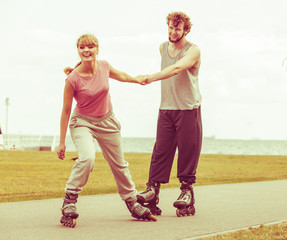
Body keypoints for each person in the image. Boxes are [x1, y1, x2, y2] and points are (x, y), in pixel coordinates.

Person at [57, 33, 155, 227]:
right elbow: (66, 111)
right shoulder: (72, 79)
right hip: (82, 122)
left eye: (90, 46)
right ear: (78, 51)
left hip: (107, 122)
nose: (86, 50)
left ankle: (132, 202)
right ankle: (69, 201)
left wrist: (138, 80)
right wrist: (61, 142)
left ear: (97, 49)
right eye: (82, 48)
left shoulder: (104, 66)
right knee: (87, 158)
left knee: (119, 164)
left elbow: (122, 76)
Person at [136, 12, 202, 217]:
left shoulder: (193, 51)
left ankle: (186, 192)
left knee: (187, 150)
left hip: (188, 108)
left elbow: (176, 68)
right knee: (161, 150)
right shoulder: (162, 47)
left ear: (186, 30)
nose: (173, 32)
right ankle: (152, 191)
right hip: (166, 108)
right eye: (170, 28)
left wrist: (150, 77)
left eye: (177, 29)